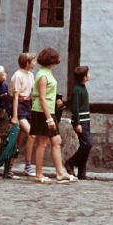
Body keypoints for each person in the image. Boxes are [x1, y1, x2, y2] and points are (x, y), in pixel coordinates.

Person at [30, 47, 76, 184]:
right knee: (42, 143)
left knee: (56, 141)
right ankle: (39, 174)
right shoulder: (43, 75)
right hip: (43, 112)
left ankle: (60, 172)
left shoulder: (47, 73)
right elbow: (42, 98)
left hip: (49, 111)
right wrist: (48, 118)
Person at [10, 52, 37, 177]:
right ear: (27, 63)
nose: (35, 63)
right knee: (32, 134)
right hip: (19, 106)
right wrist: (15, 116)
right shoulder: (17, 75)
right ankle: (28, 164)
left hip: (27, 106)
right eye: (33, 61)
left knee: (18, 140)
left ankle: (9, 166)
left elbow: (32, 93)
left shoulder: (31, 75)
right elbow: (15, 97)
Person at [65, 65, 93, 180]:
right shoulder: (77, 89)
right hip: (80, 121)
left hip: (86, 120)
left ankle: (82, 172)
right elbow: (75, 107)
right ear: (84, 77)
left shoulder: (83, 87)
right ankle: (70, 162)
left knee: (85, 145)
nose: (90, 75)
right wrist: (77, 123)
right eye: (88, 74)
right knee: (87, 144)